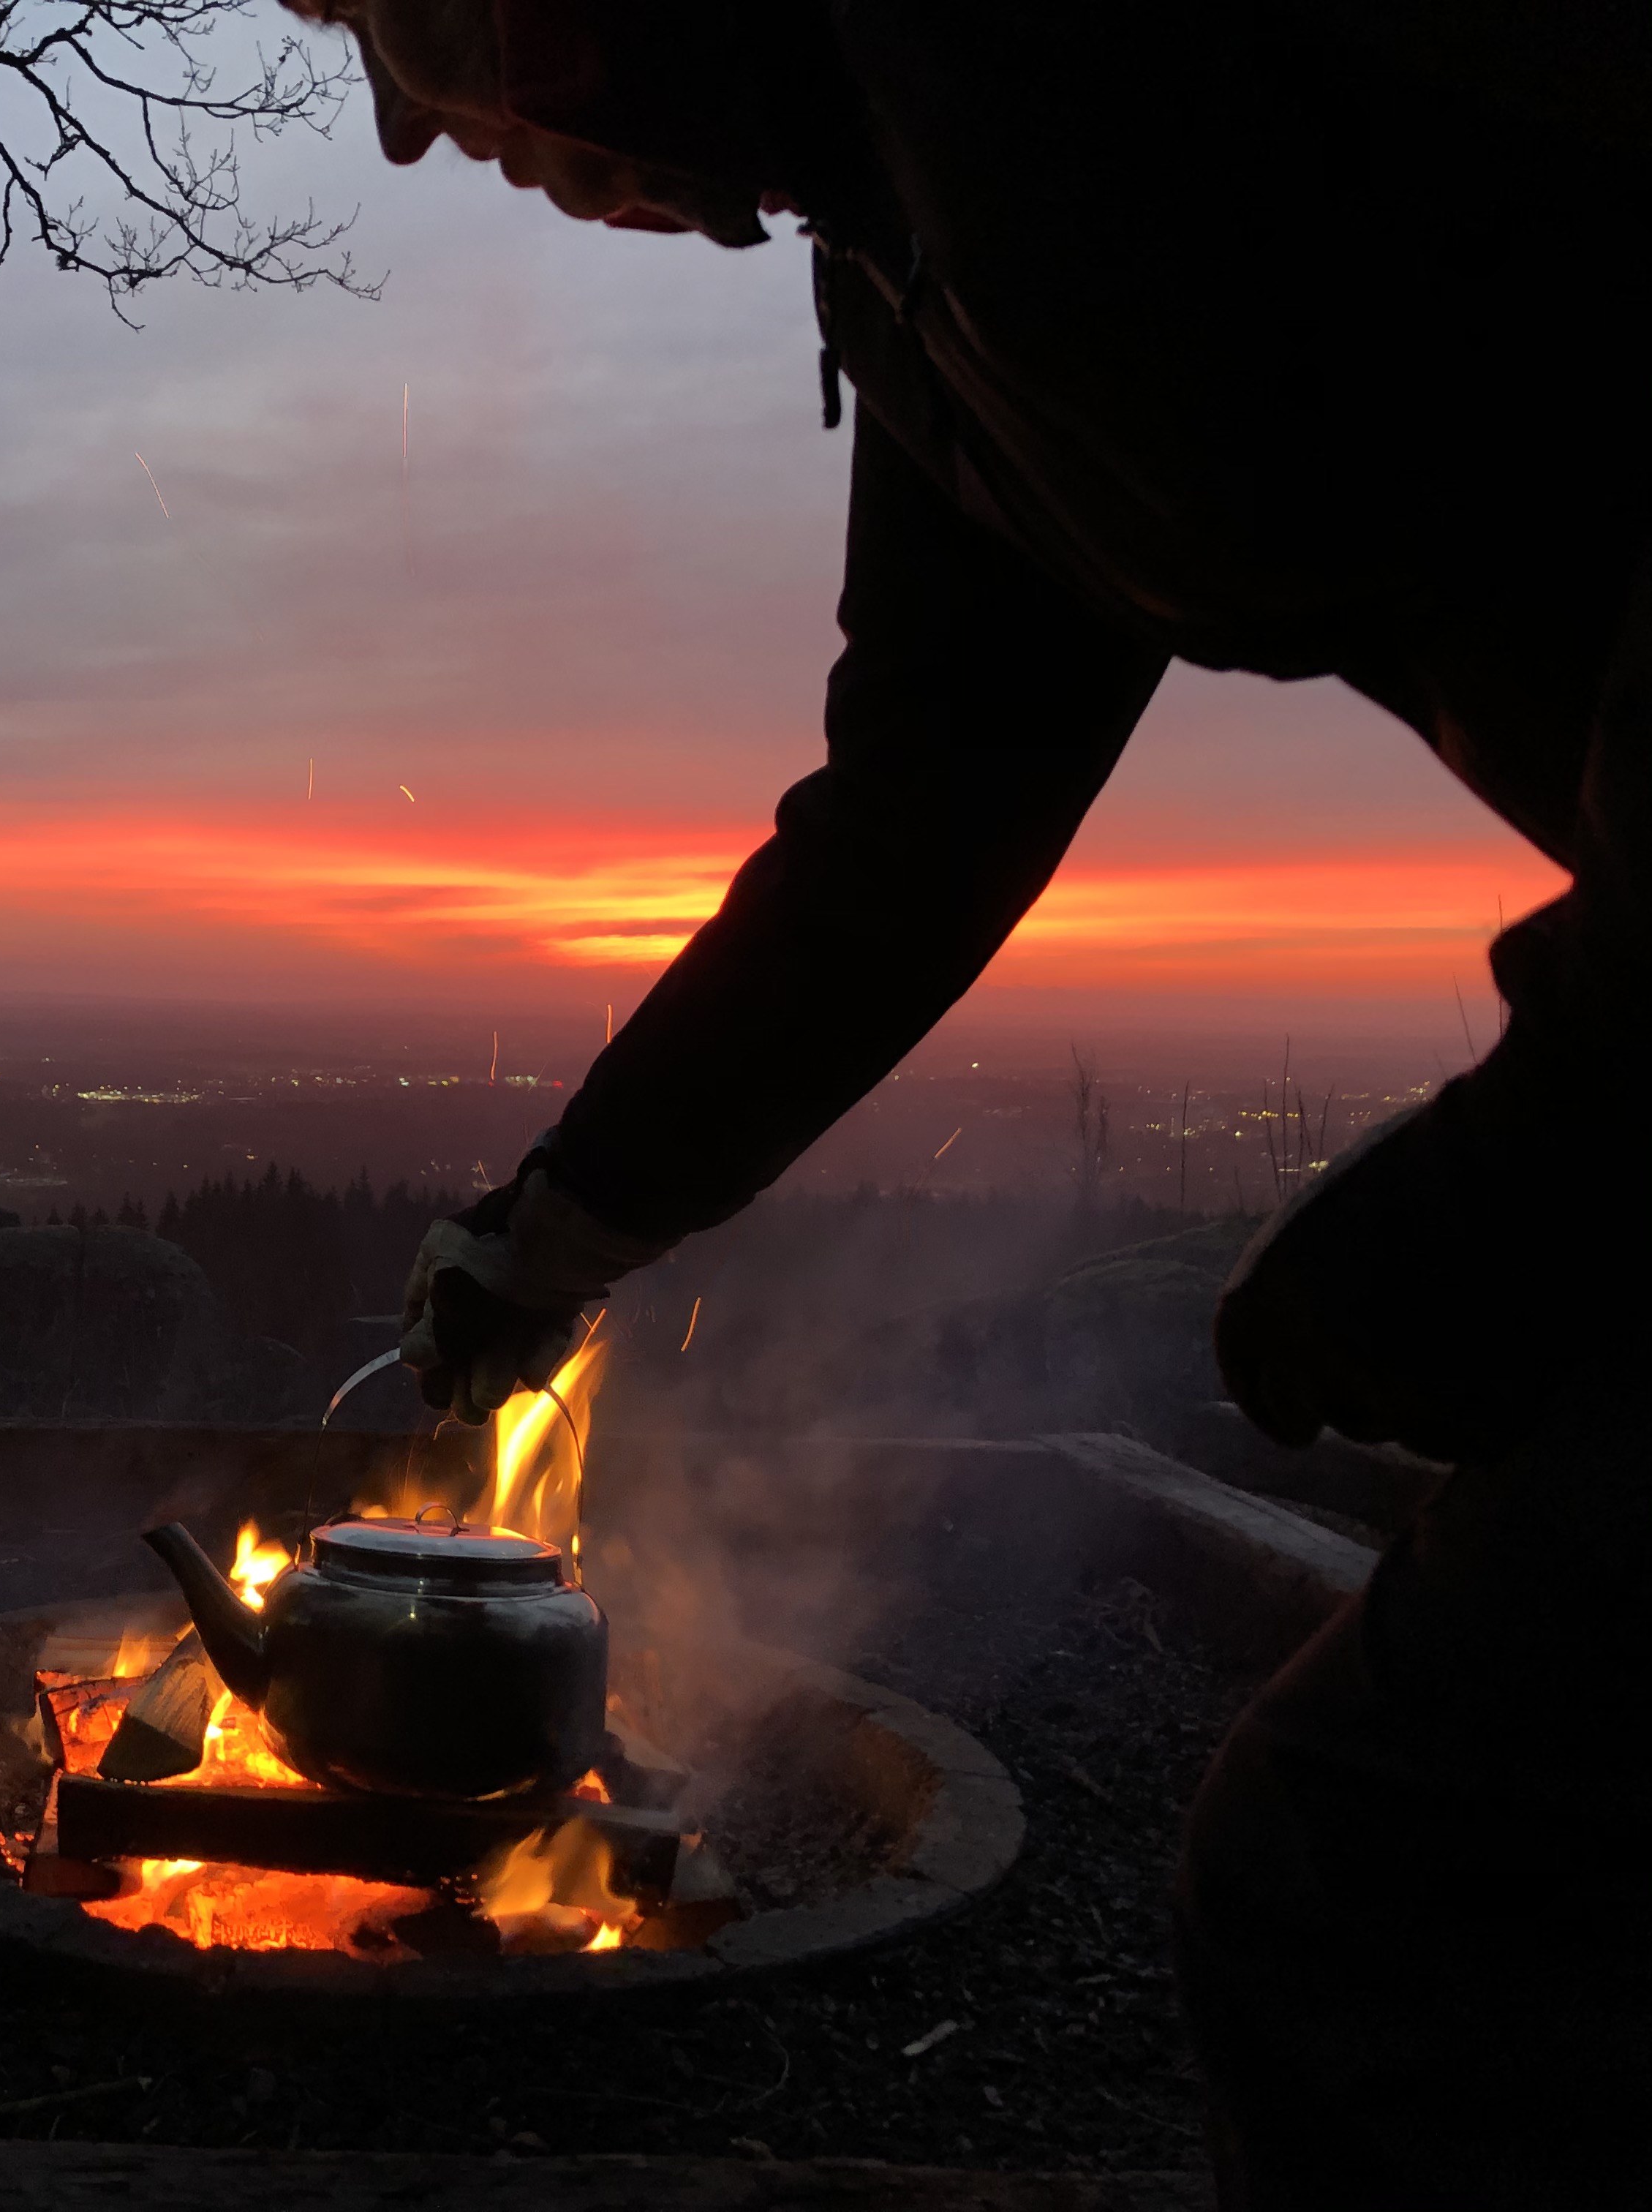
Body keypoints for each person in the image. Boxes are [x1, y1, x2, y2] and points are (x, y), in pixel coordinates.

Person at [316, 4, 1652, 2205]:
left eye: (396, 22)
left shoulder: (1047, 72)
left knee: (1385, 1887)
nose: (413, 128)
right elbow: (921, 810)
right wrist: (564, 1225)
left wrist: (1565, 1130)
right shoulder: (909, 232)